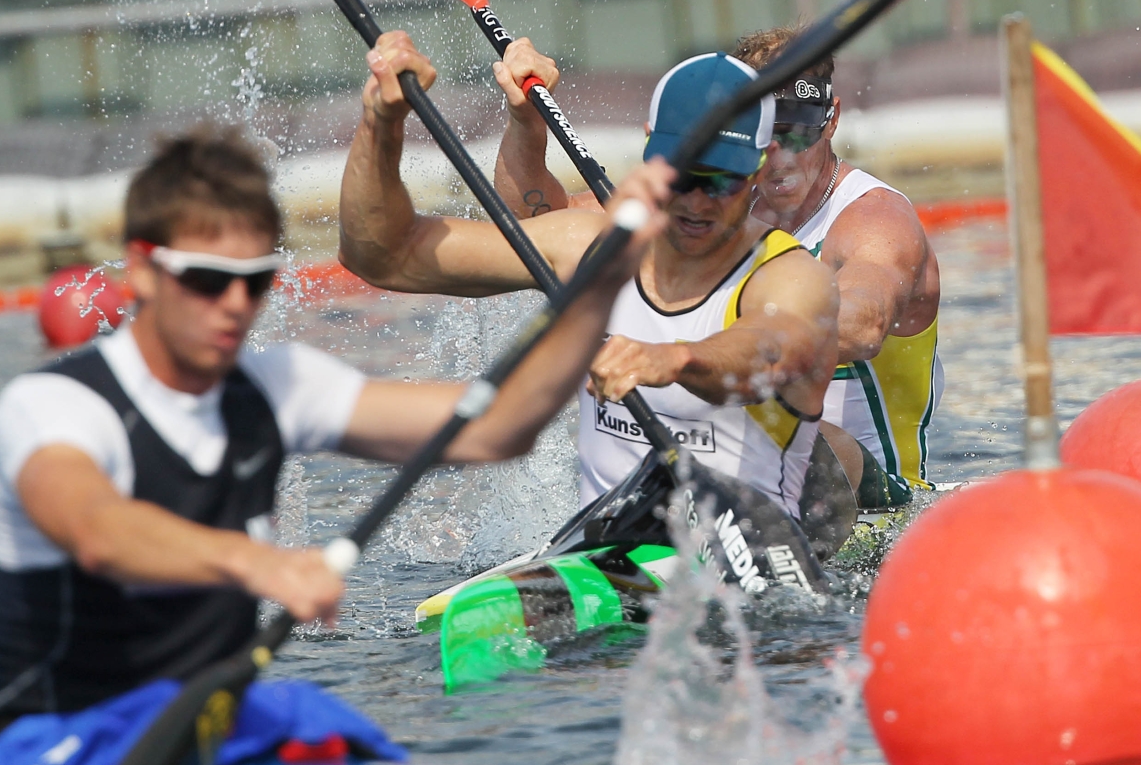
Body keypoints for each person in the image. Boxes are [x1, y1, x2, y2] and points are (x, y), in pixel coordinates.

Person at [0, 122, 671, 748]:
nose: (234, 306)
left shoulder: (277, 387)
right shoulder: (53, 407)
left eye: (255, 281)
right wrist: (256, 565)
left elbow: (498, 428)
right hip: (51, 741)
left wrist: (602, 281)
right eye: (208, 280)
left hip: (211, 736)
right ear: (143, 270)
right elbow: (97, 530)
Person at [340, 33, 838, 517]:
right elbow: (384, 255)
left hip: (745, 557)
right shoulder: (586, 245)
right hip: (604, 551)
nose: (697, 203)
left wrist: (675, 359)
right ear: (649, 145)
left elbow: (772, 352)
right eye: (683, 175)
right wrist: (382, 125)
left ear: (761, 166)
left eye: (722, 182)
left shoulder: (792, 276)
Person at [491, 28, 942, 510]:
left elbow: (864, 323)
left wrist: (681, 346)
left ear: (831, 120)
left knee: (786, 428)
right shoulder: (709, 207)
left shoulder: (874, 219)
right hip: (729, 484)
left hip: (876, 506)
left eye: (798, 133)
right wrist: (525, 122)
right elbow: (534, 223)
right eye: (769, 137)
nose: (782, 157)